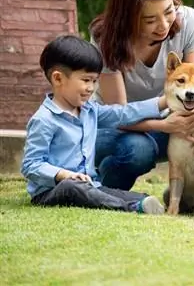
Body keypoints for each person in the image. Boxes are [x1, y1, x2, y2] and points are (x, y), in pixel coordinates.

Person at [89, 0, 194, 191]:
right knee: (138, 151)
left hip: (172, 119)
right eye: (149, 20)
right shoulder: (106, 39)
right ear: (127, 18)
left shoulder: (188, 20)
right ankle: (107, 181)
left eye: (168, 10)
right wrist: (165, 126)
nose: (163, 25)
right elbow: (119, 115)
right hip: (121, 127)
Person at [21, 35, 168, 214]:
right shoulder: (44, 119)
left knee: (125, 194)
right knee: (72, 187)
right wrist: (64, 175)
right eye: (85, 80)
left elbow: (123, 113)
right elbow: (31, 165)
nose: (91, 88)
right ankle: (132, 208)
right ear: (58, 79)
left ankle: (142, 202)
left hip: (91, 184)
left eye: (94, 81)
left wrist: (162, 102)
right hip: (53, 190)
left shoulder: (90, 110)